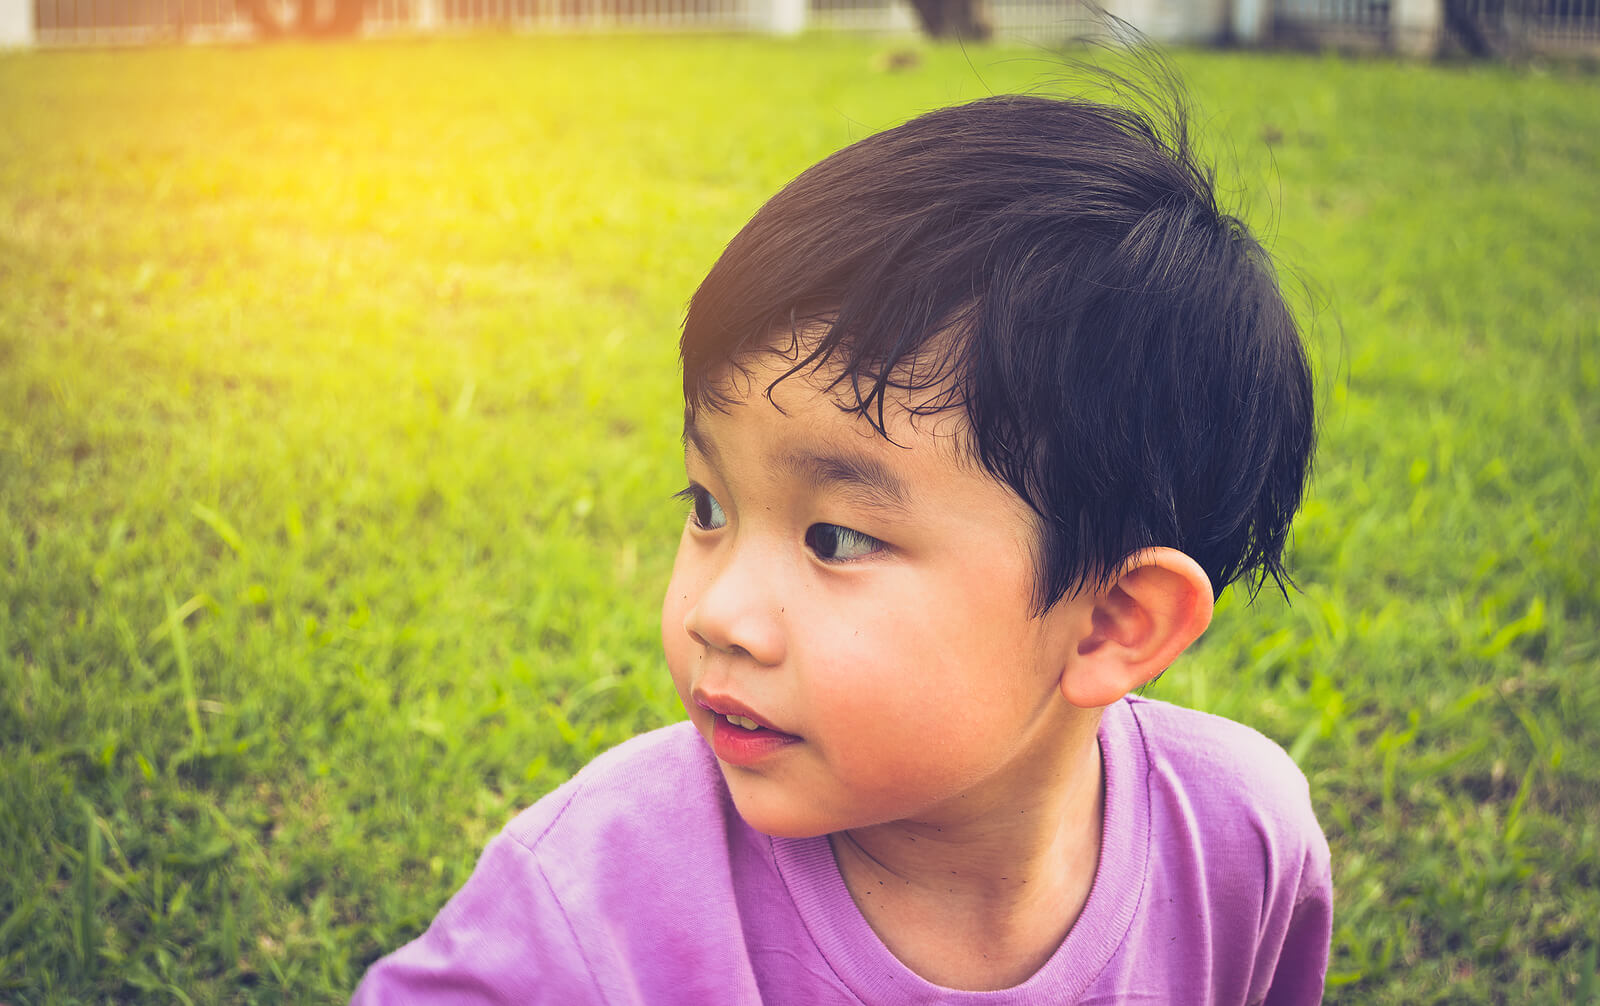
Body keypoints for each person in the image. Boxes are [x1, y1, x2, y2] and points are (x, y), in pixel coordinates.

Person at [353, 80, 1331, 1004]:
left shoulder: (1238, 846)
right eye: (708, 507)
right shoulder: (594, 894)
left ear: (1111, 622)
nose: (716, 614)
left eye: (834, 538)